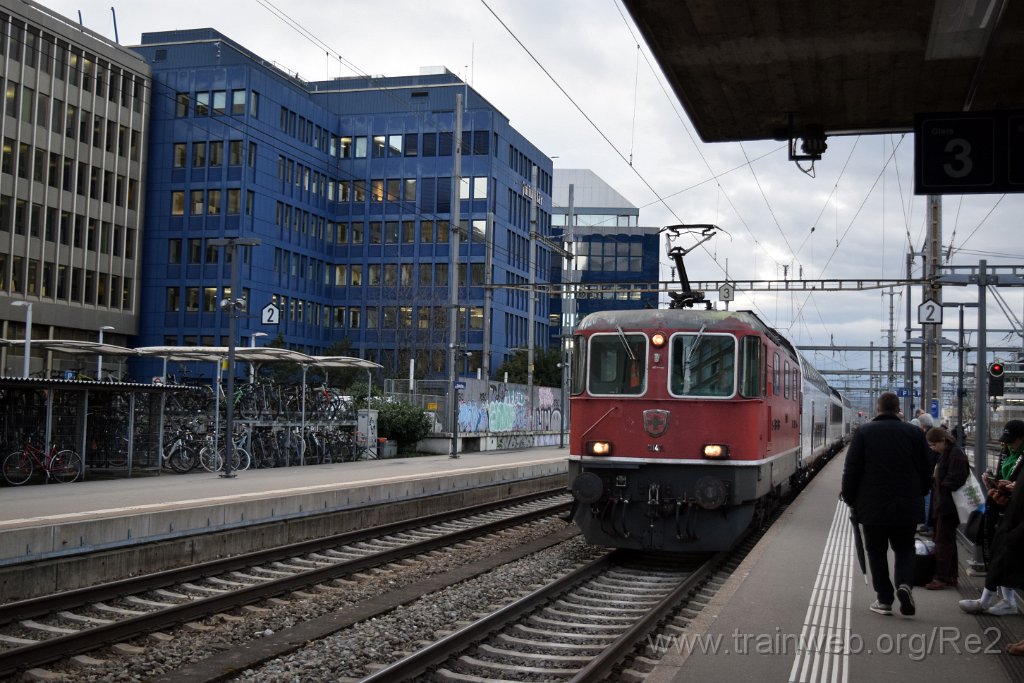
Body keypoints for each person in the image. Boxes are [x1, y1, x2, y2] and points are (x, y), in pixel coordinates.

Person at [842, 391, 933, 617]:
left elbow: (851, 469)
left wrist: (849, 497)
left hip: (872, 506)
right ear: (898, 409)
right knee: (905, 548)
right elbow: (927, 468)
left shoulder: (864, 432)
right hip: (907, 504)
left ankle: (884, 599)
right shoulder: (915, 433)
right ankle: (904, 584)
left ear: (878, 408)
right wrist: (920, 492)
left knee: (876, 551)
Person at [959, 419, 1024, 617]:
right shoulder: (1007, 454)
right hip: (1006, 510)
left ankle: (995, 601)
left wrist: (1015, 488)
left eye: (1012, 441)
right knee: (1001, 554)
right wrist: (995, 485)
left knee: (1006, 555)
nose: (1008, 445)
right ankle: (1001, 600)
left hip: (1018, 515)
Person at [923, 427, 969, 589]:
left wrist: (941, 485)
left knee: (943, 541)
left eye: (934, 445)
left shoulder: (955, 454)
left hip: (949, 505)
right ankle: (950, 575)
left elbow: (957, 478)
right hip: (944, 503)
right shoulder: (948, 453)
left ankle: (942, 577)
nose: (933, 448)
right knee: (946, 540)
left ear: (943, 441)